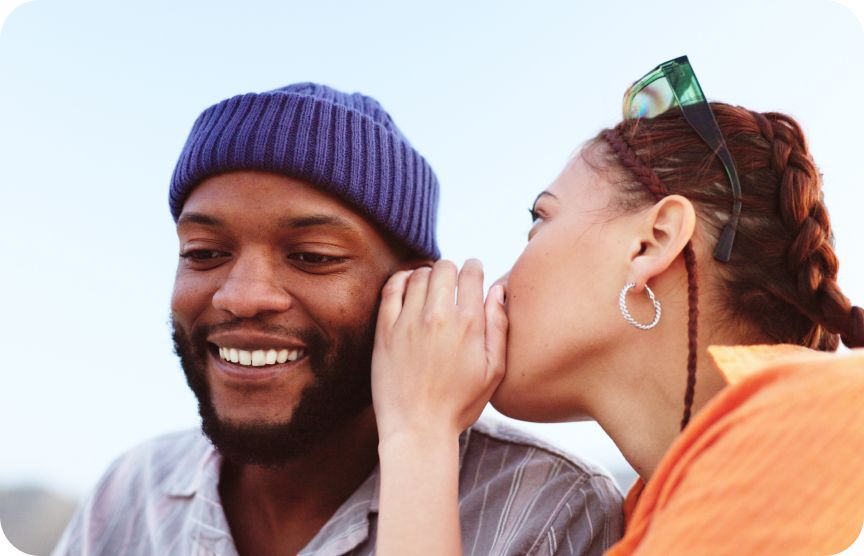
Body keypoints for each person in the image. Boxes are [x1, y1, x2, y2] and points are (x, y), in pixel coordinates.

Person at [52, 83, 624, 556]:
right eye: (204, 253)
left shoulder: (549, 508)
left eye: (313, 257)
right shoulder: (126, 495)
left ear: (415, 292)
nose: (242, 296)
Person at [371, 56, 864, 555]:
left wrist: (418, 434)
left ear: (650, 245)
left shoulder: (785, 476)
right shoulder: (691, 506)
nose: (500, 280)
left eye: (540, 220)